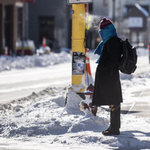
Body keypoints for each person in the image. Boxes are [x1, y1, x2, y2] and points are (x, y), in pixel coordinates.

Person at [92, 17, 123, 136]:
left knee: (114, 101)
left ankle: (114, 128)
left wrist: (103, 67)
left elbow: (113, 60)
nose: (100, 34)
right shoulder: (110, 40)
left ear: (106, 31)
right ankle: (113, 127)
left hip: (110, 76)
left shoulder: (113, 41)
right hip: (109, 75)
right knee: (113, 101)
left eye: (101, 31)